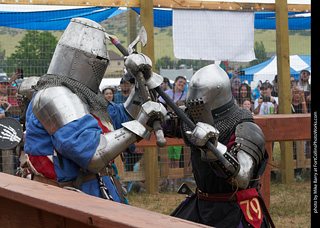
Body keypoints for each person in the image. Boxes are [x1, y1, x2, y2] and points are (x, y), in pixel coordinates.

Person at [24, 18, 166, 203]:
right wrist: (140, 126)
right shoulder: (54, 96)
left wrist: (140, 84)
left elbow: (122, 118)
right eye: (97, 62)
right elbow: (92, 154)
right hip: (67, 198)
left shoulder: (89, 97)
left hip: (99, 189)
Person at [167, 64, 273, 227]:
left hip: (235, 209)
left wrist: (212, 147)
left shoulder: (246, 128)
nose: (195, 108)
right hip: (202, 204)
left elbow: (242, 176)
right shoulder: (192, 121)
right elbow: (168, 124)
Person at [159, 76, 187, 191]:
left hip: (178, 128)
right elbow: (161, 105)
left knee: (176, 160)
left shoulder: (186, 96)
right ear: (175, 82)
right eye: (180, 82)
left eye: (184, 83)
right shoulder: (167, 93)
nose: (182, 84)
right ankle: (169, 183)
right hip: (167, 126)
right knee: (167, 159)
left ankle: (175, 183)